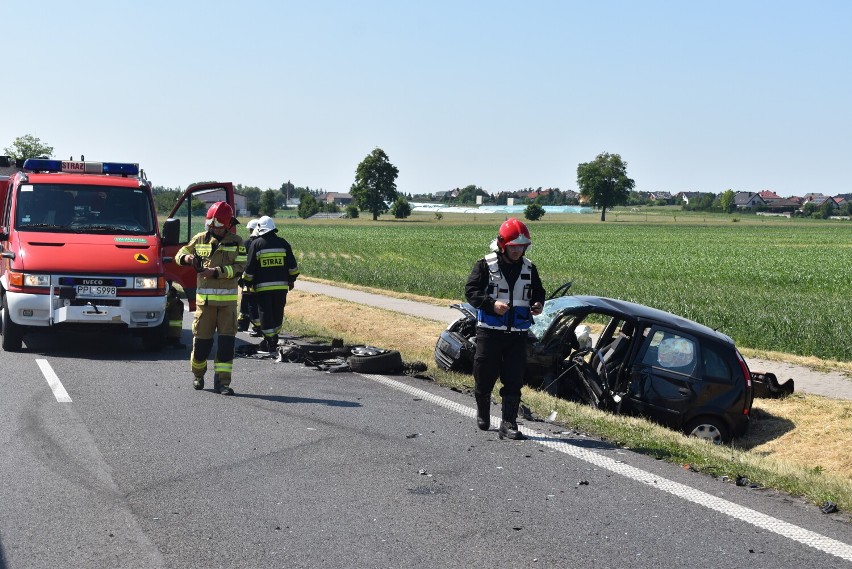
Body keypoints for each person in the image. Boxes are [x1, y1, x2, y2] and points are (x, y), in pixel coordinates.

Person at [464, 218, 545, 440]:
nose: (518, 251)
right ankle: (483, 411)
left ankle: (508, 422)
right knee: (484, 375)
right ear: (503, 245)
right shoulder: (485, 265)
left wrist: (538, 304)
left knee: (514, 379)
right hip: (489, 332)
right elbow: (471, 291)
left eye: (522, 246)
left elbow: (539, 292)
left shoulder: (529, 268)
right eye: (514, 246)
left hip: (517, 334)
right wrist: (491, 305)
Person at [176, 202, 246, 395]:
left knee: (226, 346)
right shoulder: (200, 239)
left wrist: (215, 272)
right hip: (205, 306)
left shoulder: (237, 242)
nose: (213, 228)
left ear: (227, 224)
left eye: (218, 225)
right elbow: (180, 254)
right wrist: (189, 259)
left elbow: (240, 268)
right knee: (201, 346)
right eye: (211, 224)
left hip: (227, 307)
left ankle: (222, 383)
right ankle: (198, 375)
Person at [242, 215, 299, 354]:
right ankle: (274, 336)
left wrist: (247, 282)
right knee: (277, 312)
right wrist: (291, 280)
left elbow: (250, 268)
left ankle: (270, 341)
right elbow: (293, 267)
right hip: (281, 288)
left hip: (263, 289)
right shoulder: (283, 243)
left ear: (260, 229)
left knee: (265, 314)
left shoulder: (256, 244)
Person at [237, 218, 260, 333]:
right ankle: (257, 325)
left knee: (246, 303)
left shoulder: (246, 243)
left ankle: (243, 324)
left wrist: (240, 279)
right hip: (258, 280)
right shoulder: (261, 243)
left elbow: (240, 263)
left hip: (246, 279)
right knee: (254, 303)